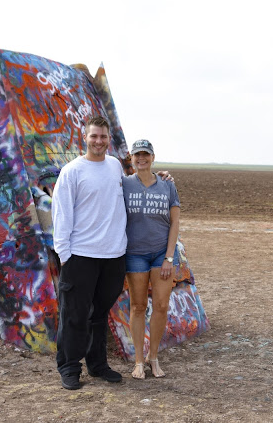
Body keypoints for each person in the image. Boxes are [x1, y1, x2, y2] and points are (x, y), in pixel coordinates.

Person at [51, 116, 171, 390]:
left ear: (108, 140)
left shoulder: (115, 166)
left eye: (103, 137)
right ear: (86, 137)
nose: (99, 141)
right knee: (75, 314)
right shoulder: (72, 172)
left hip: (113, 256)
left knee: (100, 313)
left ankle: (97, 365)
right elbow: (61, 216)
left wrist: (162, 177)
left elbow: (138, 182)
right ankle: (69, 367)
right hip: (81, 255)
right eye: (94, 136)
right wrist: (65, 256)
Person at [123, 139, 180, 379]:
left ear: (153, 157)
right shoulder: (124, 185)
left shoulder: (167, 186)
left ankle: (153, 357)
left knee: (161, 305)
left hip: (162, 254)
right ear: (132, 159)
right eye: (137, 155)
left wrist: (169, 257)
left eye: (145, 155)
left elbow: (175, 222)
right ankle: (138, 361)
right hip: (135, 254)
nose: (141, 159)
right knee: (138, 306)